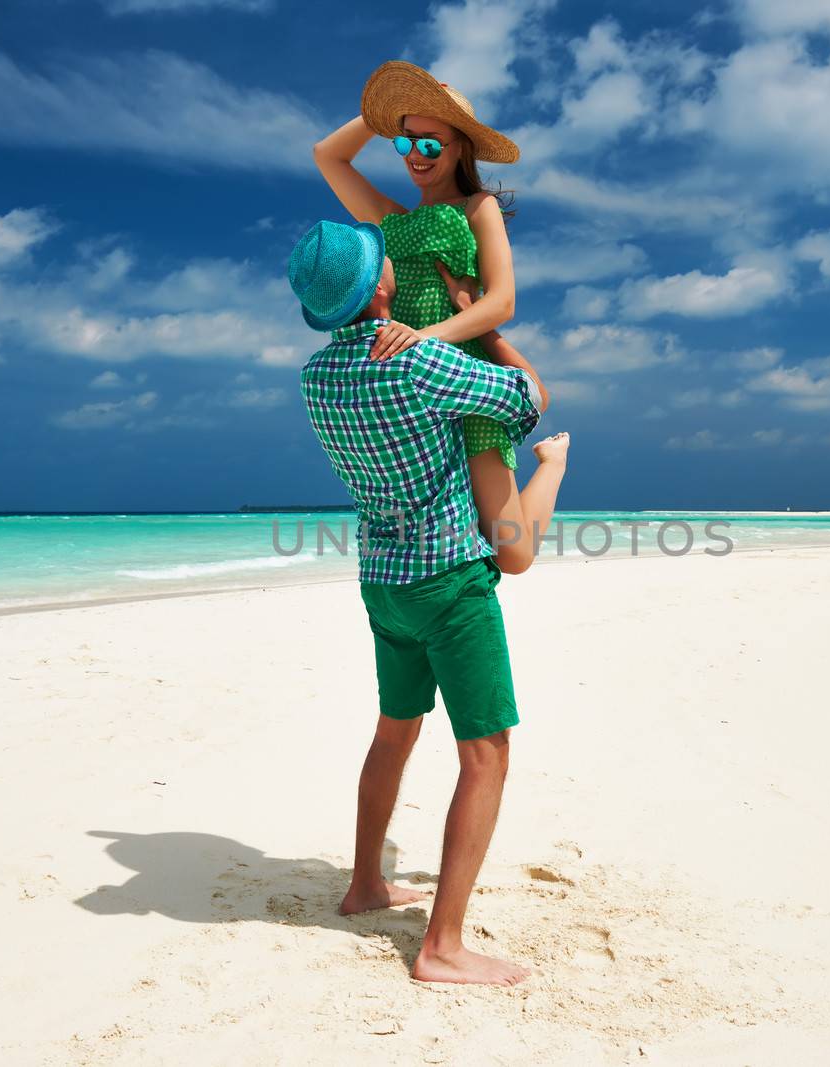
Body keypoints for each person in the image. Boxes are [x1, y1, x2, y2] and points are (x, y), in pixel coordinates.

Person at [289, 218, 553, 986]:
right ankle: (441, 945)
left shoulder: (315, 377)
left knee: (394, 732)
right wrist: (487, 324)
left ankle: (366, 882)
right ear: (380, 287)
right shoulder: (418, 363)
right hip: (445, 577)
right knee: (486, 752)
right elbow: (527, 398)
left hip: (383, 579)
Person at [313, 60, 569, 574]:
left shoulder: (478, 208)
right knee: (437, 538)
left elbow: (502, 303)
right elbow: (328, 155)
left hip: (462, 377)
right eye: (406, 143)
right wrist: (392, 113)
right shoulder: (391, 220)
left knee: (513, 554)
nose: (416, 155)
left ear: (460, 149)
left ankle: (554, 463)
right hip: (410, 393)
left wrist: (423, 338)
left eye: (431, 143)